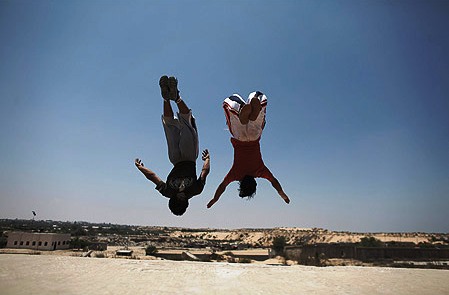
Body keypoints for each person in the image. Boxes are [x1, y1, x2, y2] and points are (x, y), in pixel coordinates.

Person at [135, 75, 210, 216]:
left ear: (186, 204)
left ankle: (176, 98)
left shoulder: (195, 190)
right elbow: (152, 177)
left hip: (188, 158)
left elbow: (205, 172)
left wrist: (207, 159)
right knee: (170, 126)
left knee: (187, 123)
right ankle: (165, 98)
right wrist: (140, 167)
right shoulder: (167, 193)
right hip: (174, 159)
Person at [207, 91, 290, 208]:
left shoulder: (260, 171)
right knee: (228, 102)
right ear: (240, 184)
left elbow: (274, 182)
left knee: (260, 98)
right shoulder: (236, 173)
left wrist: (283, 195)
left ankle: (254, 99)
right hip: (239, 135)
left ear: (255, 183)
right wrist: (214, 199)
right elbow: (222, 186)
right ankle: (240, 109)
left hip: (254, 135)